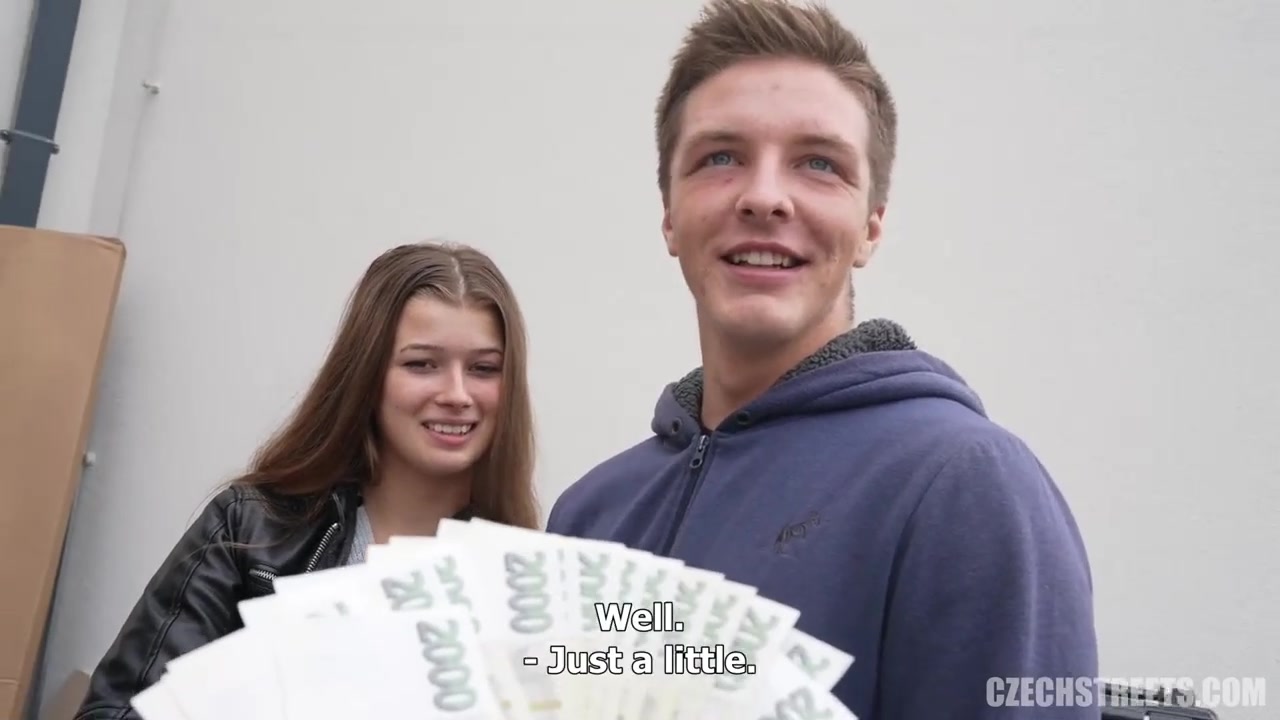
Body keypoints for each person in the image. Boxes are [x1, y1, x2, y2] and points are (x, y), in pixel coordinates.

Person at [545, 1, 1098, 718]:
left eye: (818, 164)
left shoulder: (966, 488)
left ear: (871, 227)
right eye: (720, 157)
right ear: (669, 216)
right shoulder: (590, 516)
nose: (764, 197)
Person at [74, 241, 539, 719]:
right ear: (367, 376)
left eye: (484, 369)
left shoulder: (528, 584)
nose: (458, 394)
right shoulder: (250, 530)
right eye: (421, 364)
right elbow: (114, 712)